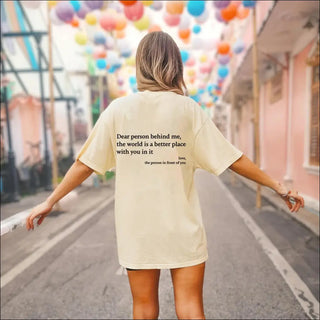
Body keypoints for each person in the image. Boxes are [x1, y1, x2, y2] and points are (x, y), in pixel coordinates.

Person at [25, 32, 304, 320]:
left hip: (138, 230)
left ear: (140, 66)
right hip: (182, 227)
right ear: (175, 67)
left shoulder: (118, 111)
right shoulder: (189, 110)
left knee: (144, 309)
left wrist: (50, 201)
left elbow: (85, 164)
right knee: (190, 307)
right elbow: (233, 158)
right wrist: (277, 186)